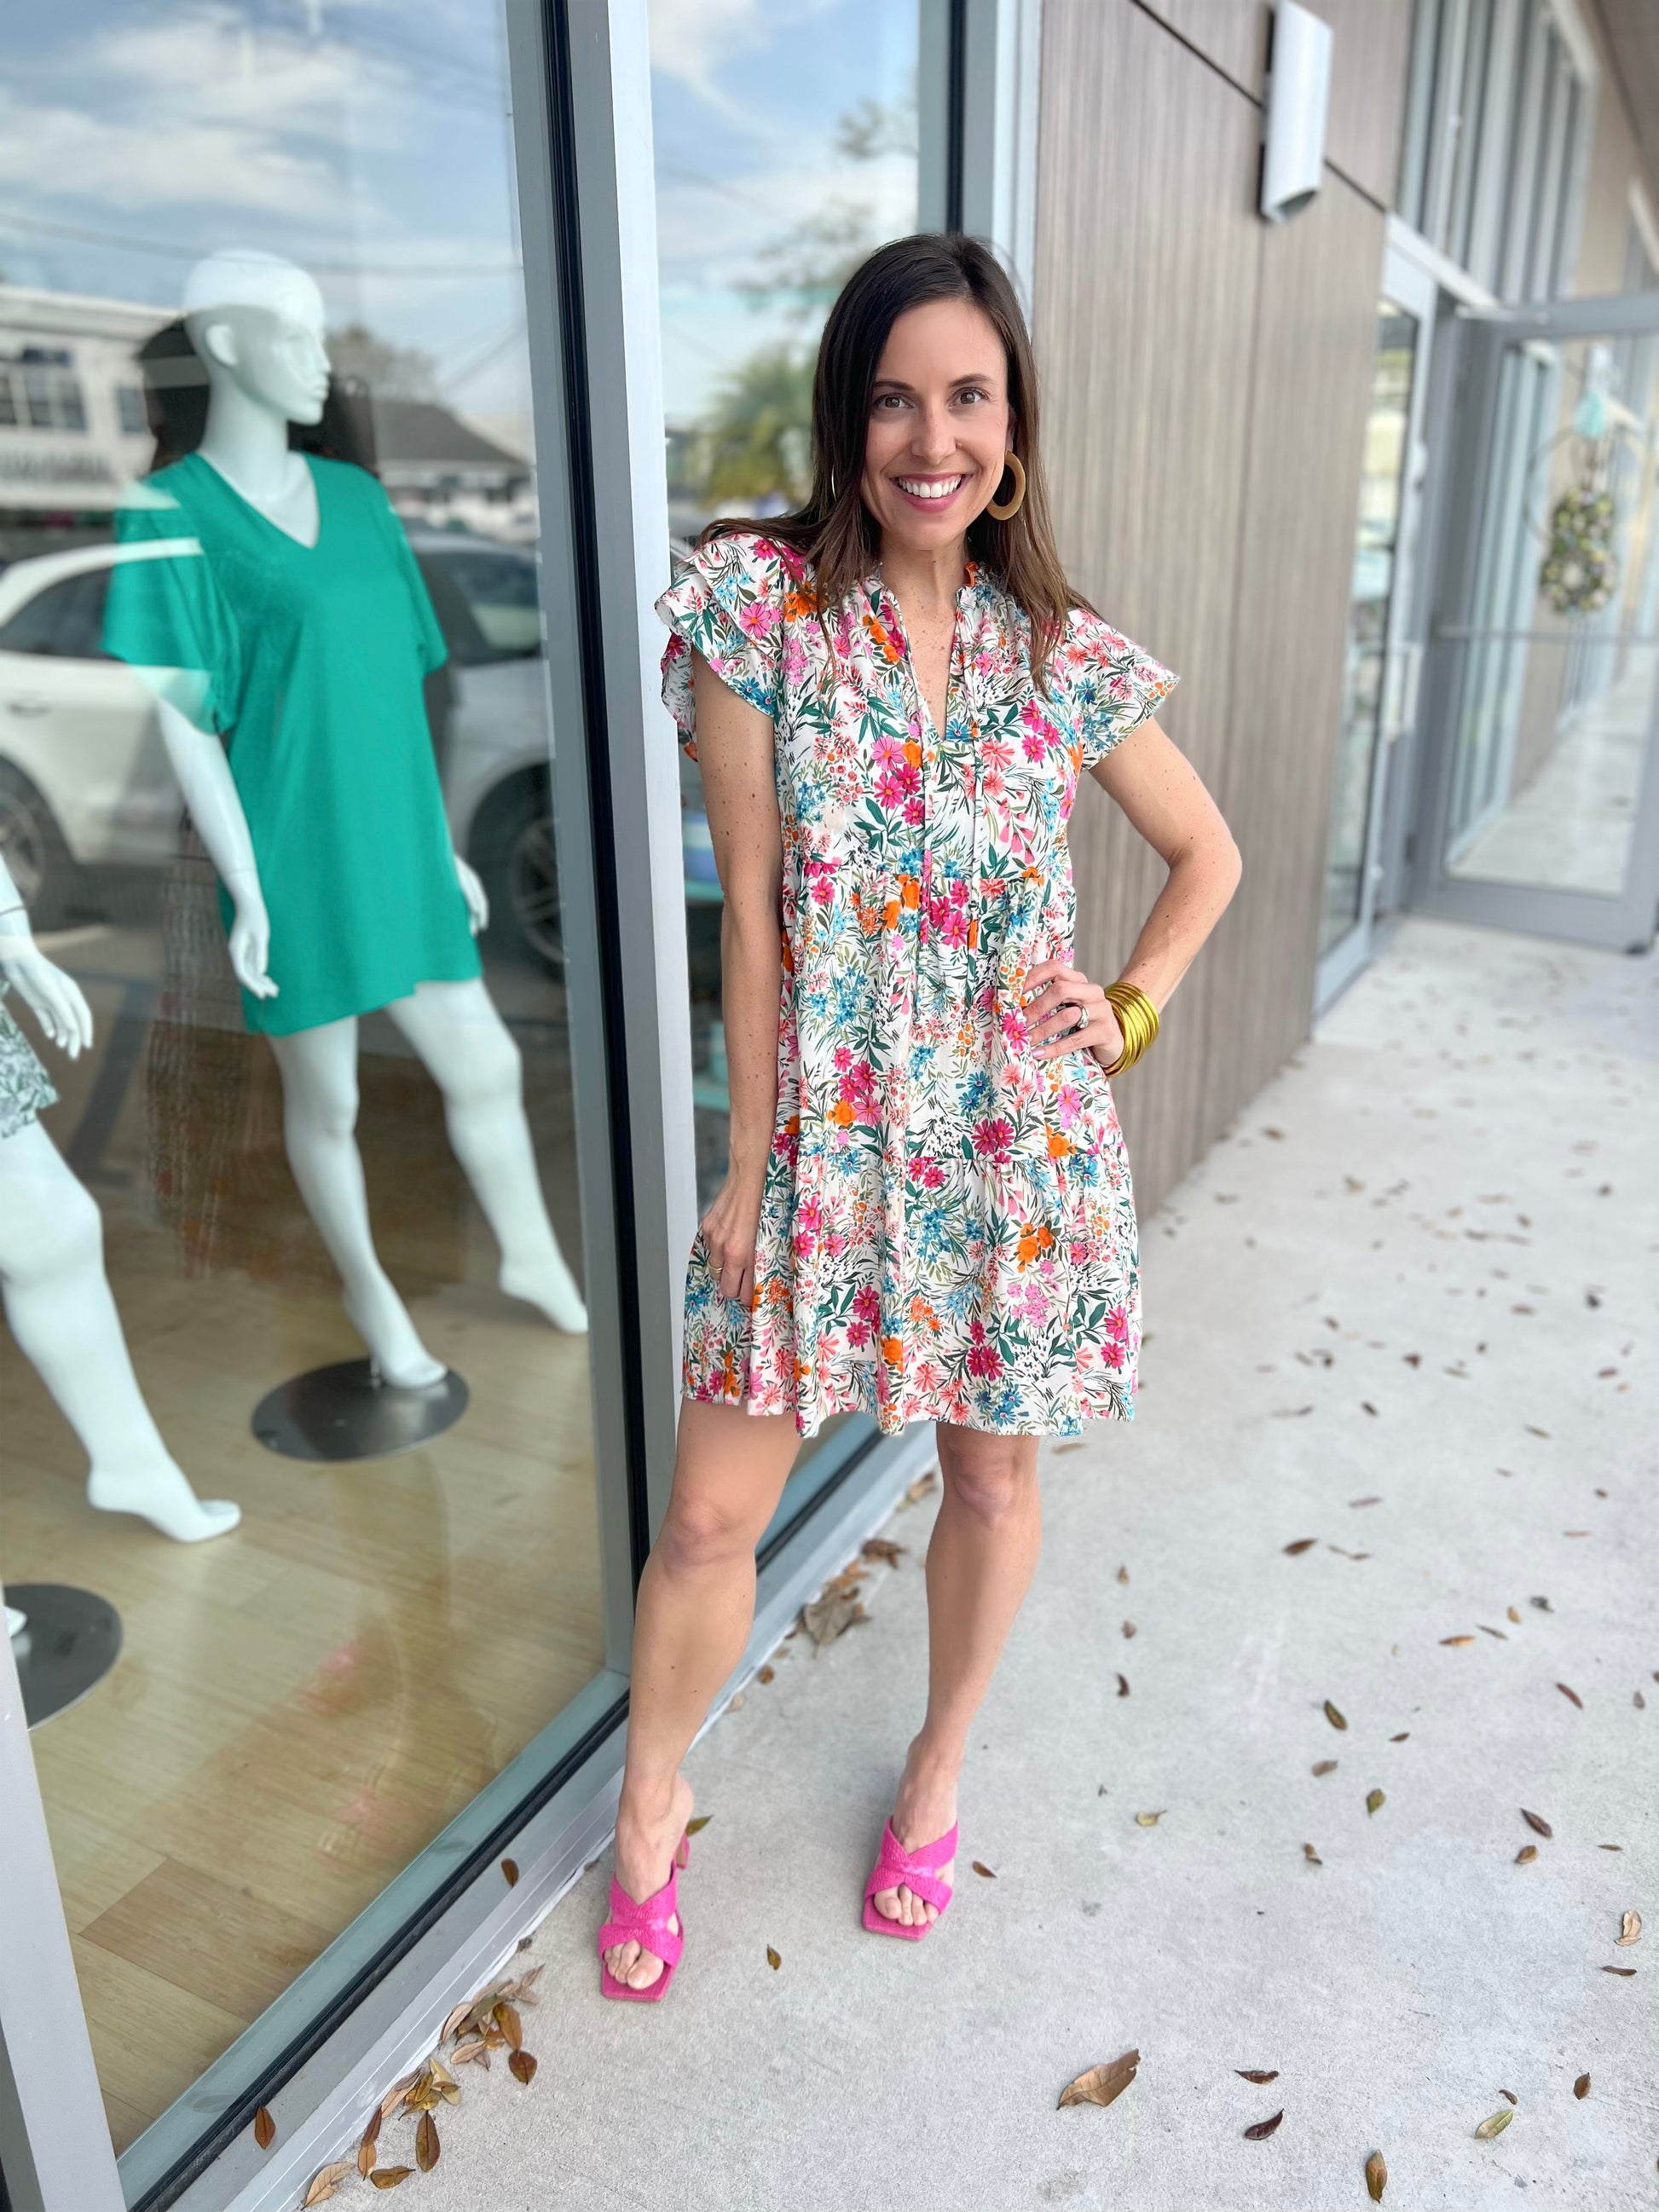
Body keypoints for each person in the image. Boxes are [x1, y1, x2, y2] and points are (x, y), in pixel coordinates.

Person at [598, 234, 1241, 1999]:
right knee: (709, 1519)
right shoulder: (759, 610)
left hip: (1009, 1151)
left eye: (966, 396)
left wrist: (1123, 1005)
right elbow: (749, 914)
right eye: (893, 399)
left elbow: (1207, 853)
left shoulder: (1061, 655)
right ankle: (651, 1797)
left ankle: (937, 1768)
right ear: (847, 419)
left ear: (1012, 425)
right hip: (820, 1145)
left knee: (989, 1471)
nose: (929, 438)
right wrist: (748, 1163)